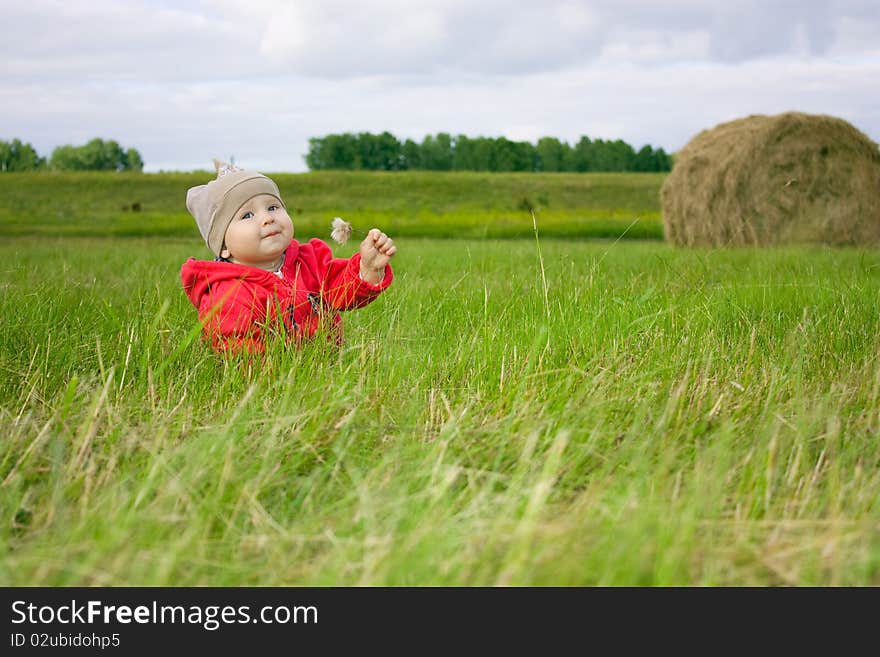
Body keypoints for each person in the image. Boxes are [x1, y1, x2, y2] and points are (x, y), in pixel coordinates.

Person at [180, 161, 396, 352]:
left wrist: (368, 268)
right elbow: (240, 356)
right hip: (275, 385)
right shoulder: (228, 293)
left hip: (327, 374)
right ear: (223, 246)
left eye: (273, 207)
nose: (267, 218)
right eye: (247, 215)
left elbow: (343, 293)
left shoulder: (309, 261)